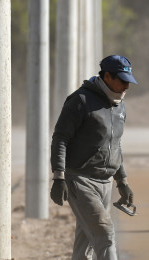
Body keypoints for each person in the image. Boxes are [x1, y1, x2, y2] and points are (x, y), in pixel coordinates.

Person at [50, 55, 138, 260]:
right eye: (122, 80)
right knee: (104, 234)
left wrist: (122, 181)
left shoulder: (119, 105)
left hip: (105, 182)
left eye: (129, 81)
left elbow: (115, 145)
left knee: (86, 242)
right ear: (107, 76)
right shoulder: (80, 100)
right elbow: (60, 138)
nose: (127, 86)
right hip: (80, 180)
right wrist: (58, 177)